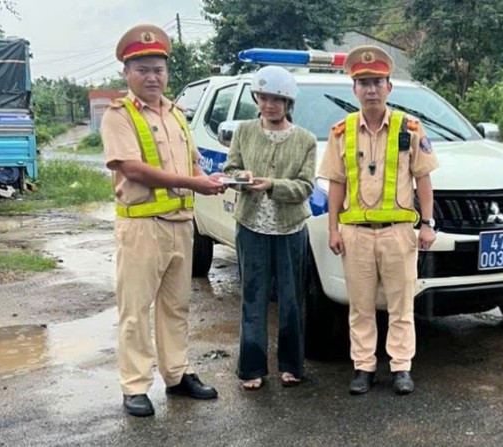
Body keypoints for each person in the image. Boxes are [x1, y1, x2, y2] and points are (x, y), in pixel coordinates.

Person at [102, 24, 226, 417]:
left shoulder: (176, 114)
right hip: (141, 227)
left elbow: (190, 161)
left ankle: (176, 375)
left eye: (158, 69)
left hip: (179, 225)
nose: (153, 77)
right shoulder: (118, 116)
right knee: (135, 309)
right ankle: (135, 385)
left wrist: (207, 178)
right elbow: (132, 169)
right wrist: (192, 182)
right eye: (143, 69)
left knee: (176, 306)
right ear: (127, 73)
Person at [318, 45, 438, 395]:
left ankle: (401, 367)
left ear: (389, 86)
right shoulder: (341, 132)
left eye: (377, 82)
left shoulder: (410, 128)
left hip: (398, 234)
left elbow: (424, 179)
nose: (371, 89)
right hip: (355, 235)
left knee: (402, 305)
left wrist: (427, 224)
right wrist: (332, 229)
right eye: (364, 82)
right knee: (361, 305)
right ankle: (364, 367)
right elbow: (336, 183)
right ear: (354, 89)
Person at [222, 66, 316, 390]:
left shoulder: (305, 140)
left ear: (288, 103)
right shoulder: (244, 131)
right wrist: (243, 178)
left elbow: (305, 186)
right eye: (264, 98)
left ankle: (292, 365)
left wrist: (272, 185)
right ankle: (251, 368)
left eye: (278, 99)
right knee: (253, 296)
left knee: (291, 300)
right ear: (256, 99)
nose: (270, 104)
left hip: (290, 229)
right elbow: (230, 168)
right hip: (250, 226)